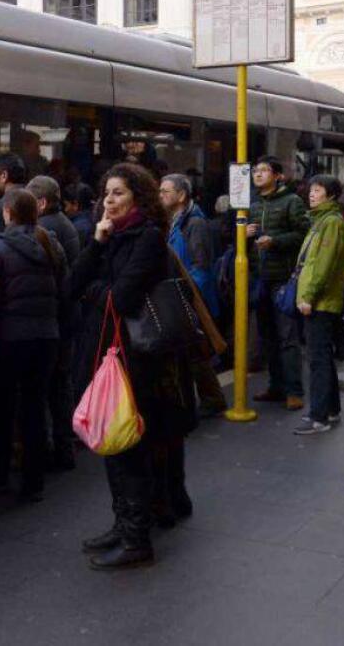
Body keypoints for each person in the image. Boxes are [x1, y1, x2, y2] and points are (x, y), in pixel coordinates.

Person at [72, 163, 189, 570]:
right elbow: (74, 284)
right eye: (106, 192)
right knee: (111, 437)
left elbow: (119, 299)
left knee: (129, 442)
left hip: (135, 357)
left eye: (118, 193)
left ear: (138, 196)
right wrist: (97, 243)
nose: (109, 200)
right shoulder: (112, 237)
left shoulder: (149, 239)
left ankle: (137, 536)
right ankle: (122, 524)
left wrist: (94, 291)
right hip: (106, 352)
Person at [0, 188, 65, 501]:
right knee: (34, 408)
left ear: (8, 213)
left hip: (9, 339)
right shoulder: (50, 242)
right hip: (46, 336)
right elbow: (63, 286)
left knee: (2, 410)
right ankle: (34, 482)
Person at [159, 173, 227, 417]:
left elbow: (201, 266)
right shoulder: (174, 220)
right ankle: (209, 397)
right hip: (180, 293)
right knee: (193, 351)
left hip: (190, 296)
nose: (161, 195)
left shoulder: (194, 224)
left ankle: (211, 397)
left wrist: (186, 293)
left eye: (166, 191)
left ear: (181, 195)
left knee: (196, 351)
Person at [27, 175, 81, 470]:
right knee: (61, 384)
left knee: (52, 388)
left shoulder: (46, 231)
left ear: (42, 203)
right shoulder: (64, 224)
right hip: (66, 317)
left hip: (54, 321)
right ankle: (64, 446)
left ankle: (54, 448)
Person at [248, 156, 309, 411]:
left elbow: (303, 234)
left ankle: (294, 390)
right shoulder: (253, 205)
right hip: (261, 277)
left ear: (277, 176)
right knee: (268, 336)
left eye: (264, 171)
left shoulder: (291, 201)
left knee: (287, 337)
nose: (258, 175)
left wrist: (275, 241)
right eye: (255, 171)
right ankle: (276, 386)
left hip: (282, 279)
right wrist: (244, 235)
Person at [293, 175, 344, 435]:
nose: (312, 194)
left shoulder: (330, 223)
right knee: (322, 356)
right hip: (319, 300)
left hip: (321, 302)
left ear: (331, 195)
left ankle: (319, 416)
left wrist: (309, 296)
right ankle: (331, 409)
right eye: (311, 190)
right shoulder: (322, 220)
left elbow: (323, 265)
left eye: (318, 190)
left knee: (318, 359)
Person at [64, 182, 96, 249]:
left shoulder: (76, 229)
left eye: (66, 205)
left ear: (75, 204)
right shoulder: (97, 217)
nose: (65, 209)